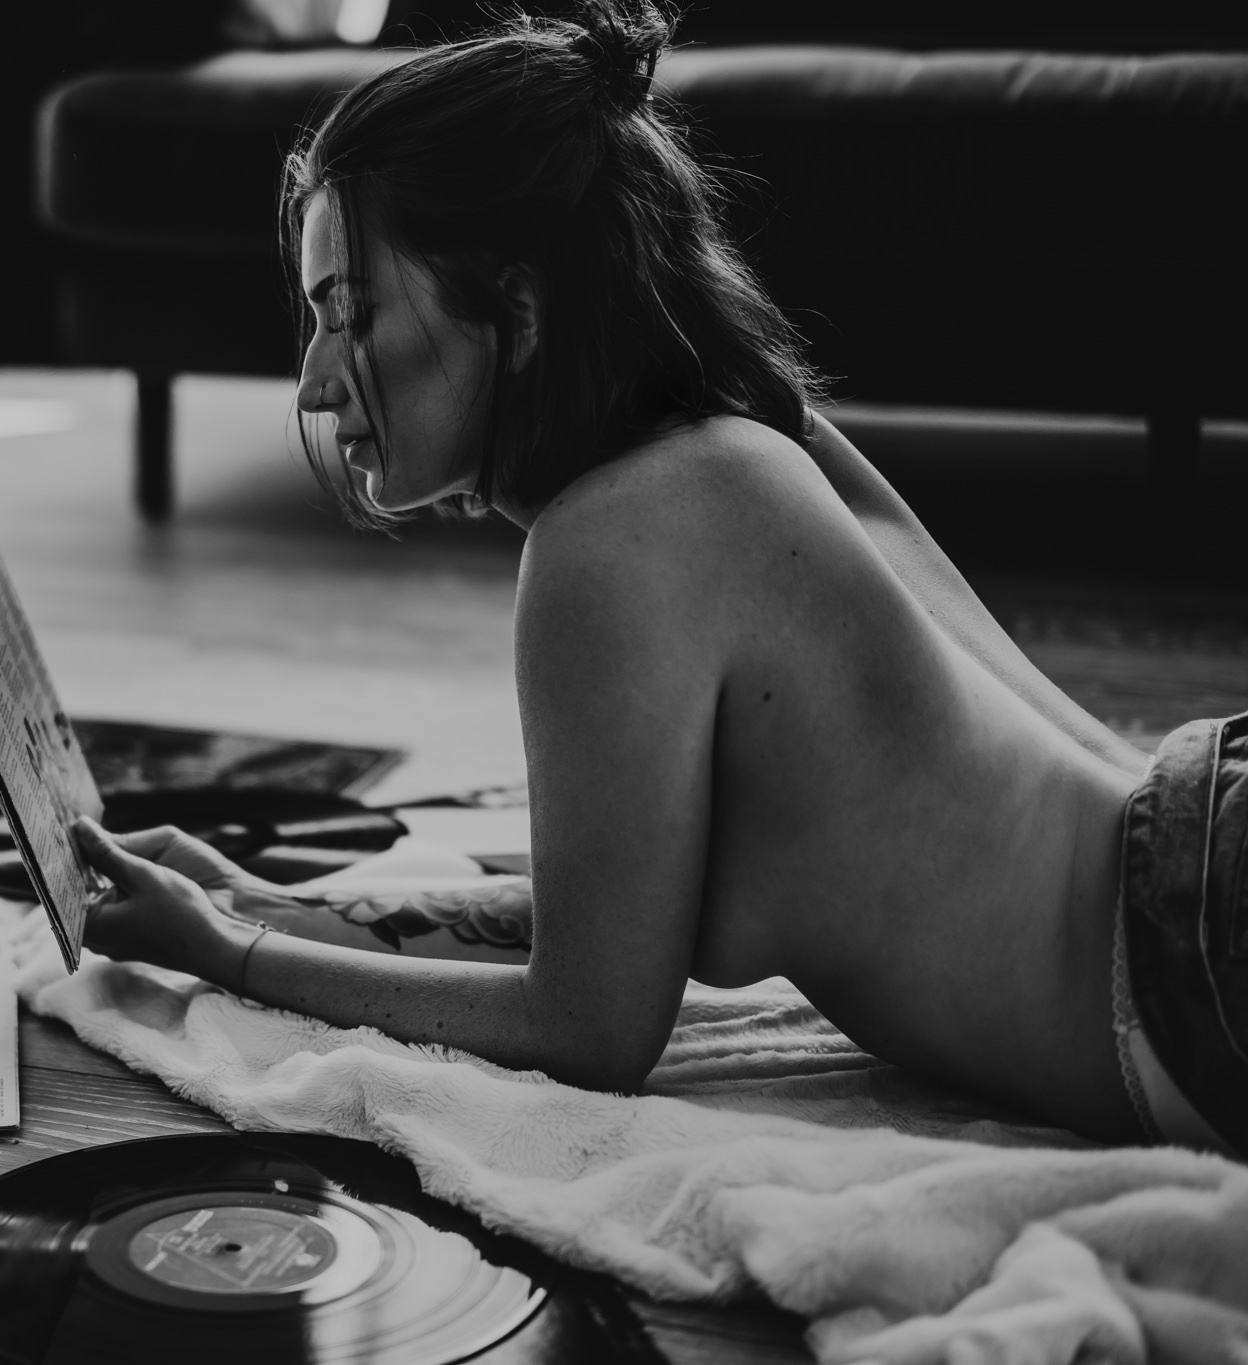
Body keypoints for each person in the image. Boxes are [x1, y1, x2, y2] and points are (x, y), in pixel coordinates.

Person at [73, 1, 1248, 1156]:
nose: (314, 382)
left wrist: (228, 956)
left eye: (352, 313)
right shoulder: (756, 439)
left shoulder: (607, 542)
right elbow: (605, 920)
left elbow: (584, 1026)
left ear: (516, 306)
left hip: (1199, 956)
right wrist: (259, 901)